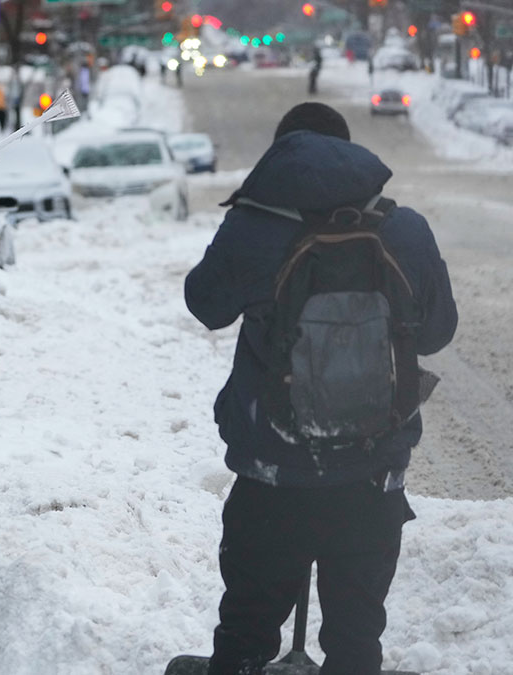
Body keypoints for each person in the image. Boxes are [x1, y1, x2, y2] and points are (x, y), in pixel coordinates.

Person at [184, 102, 457, 674]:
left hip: (271, 476)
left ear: (280, 156)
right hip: (372, 477)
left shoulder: (254, 228)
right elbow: (437, 334)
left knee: (245, 631)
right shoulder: (403, 229)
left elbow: (205, 304)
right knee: (356, 642)